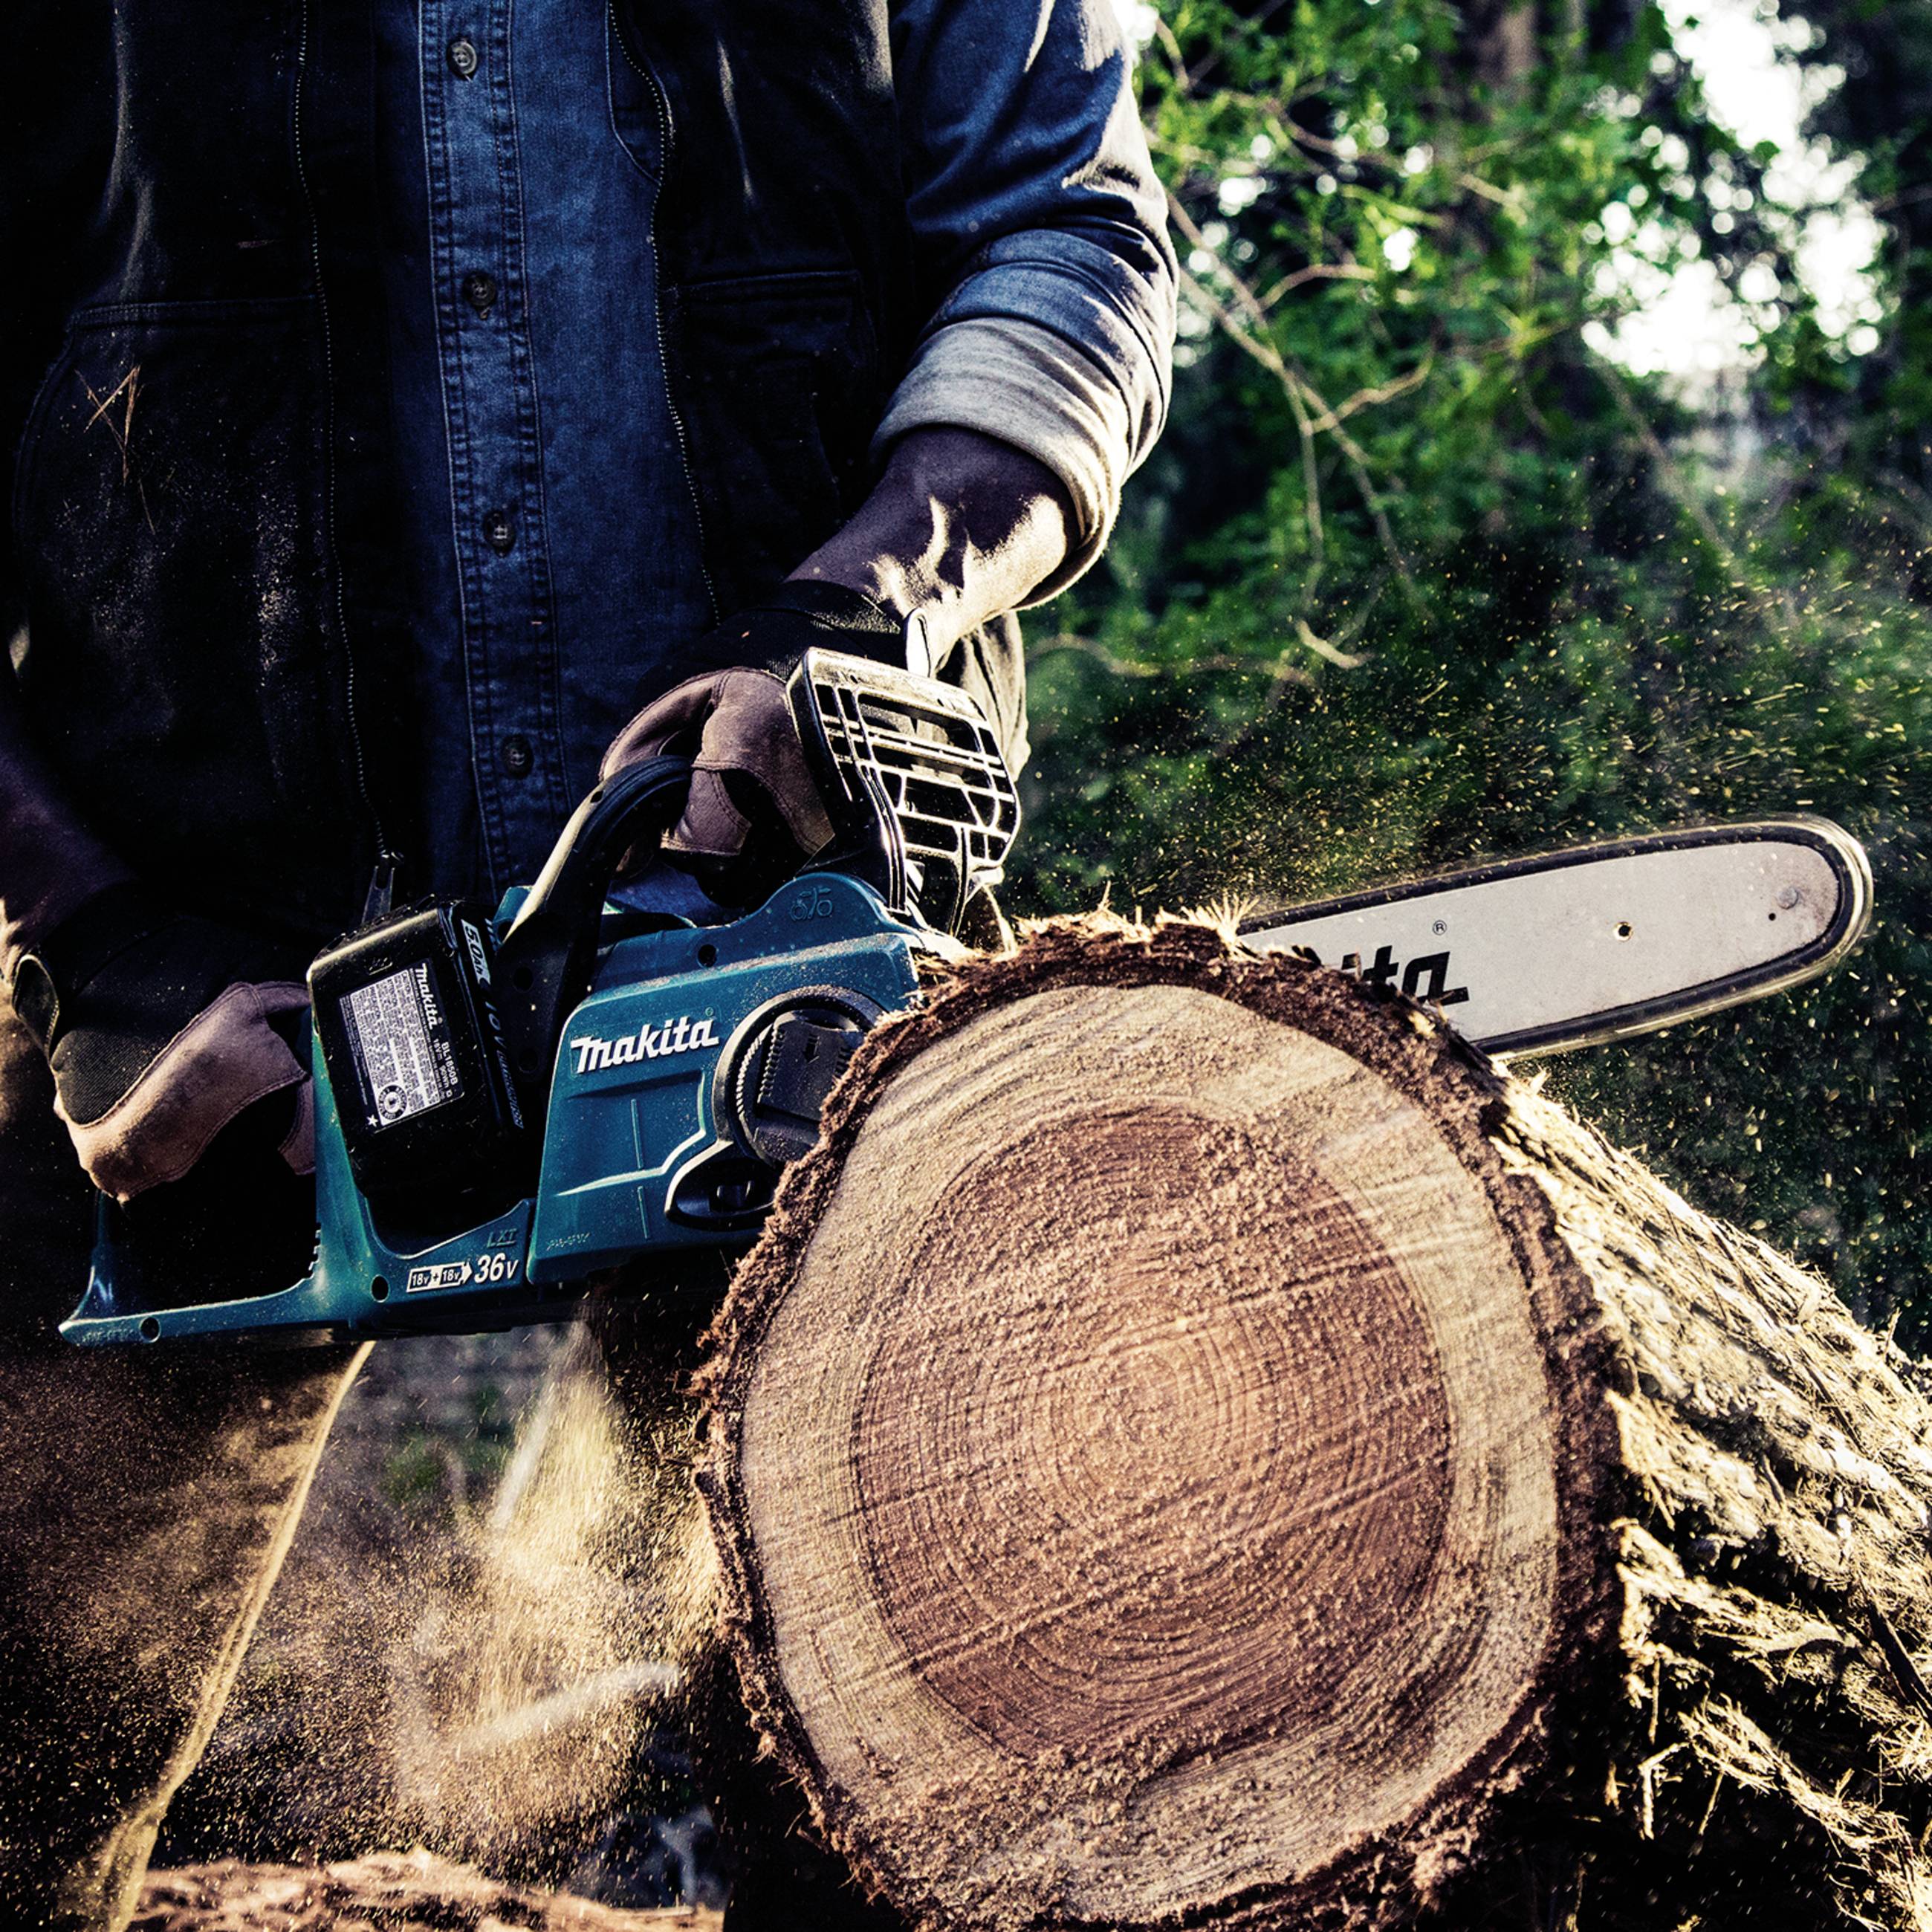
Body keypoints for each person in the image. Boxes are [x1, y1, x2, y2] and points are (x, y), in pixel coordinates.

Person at [0, 0, 1174, 1924]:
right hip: (188, 986)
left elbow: (1067, 234)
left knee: (909, 1795)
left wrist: (862, 611)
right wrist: (94, 930)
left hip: (772, 938)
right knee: (20, 1774)